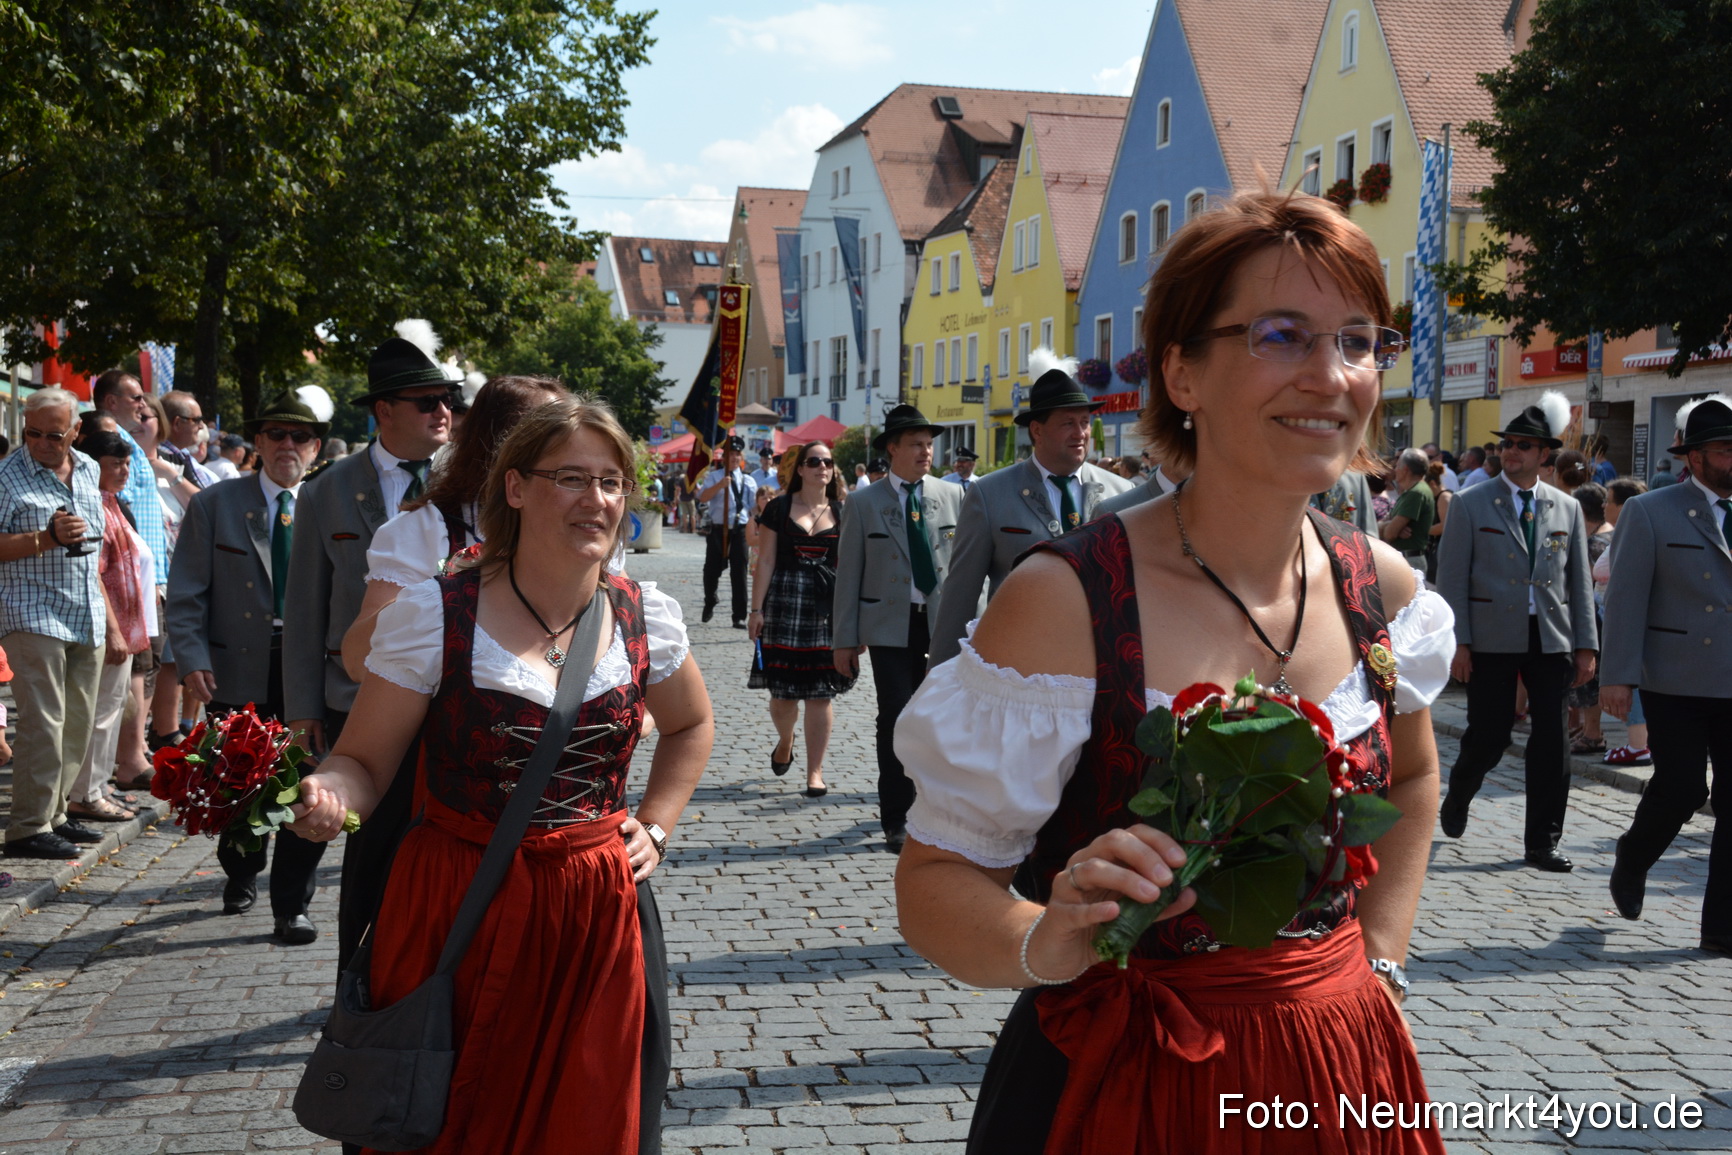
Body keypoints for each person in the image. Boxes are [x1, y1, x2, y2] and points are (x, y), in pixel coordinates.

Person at [894, 190, 1450, 1154]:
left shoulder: (1378, 584)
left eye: (1358, 339)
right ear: (1181, 372)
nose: (1332, 375)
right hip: (1126, 1078)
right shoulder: (1069, 600)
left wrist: (1383, 964)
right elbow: (937, 878)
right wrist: (1047, 934)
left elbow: (1409, 778)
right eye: (1282, 334)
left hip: (1337, 1069)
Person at [287, 394, 714, 1154]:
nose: (598, 500)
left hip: (595, 913)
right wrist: (329, 795)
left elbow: (688, 724)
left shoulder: (646, 614)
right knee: (452, 1121)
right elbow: (363, 760)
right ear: (514, 488)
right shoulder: (435, 613)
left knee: (584, 1120)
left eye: (612, 481)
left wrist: (655, 822)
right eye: (573, 478)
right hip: (456, 903)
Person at [284, 328, 455, 967]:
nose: (443, 412)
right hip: (355, 696)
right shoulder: (328, 488)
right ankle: (361, 976)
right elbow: (303, 606)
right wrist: (302, 707)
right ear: (383, 411)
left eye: (448, 400)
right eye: (426, 401)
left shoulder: (473, 480)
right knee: (371, 847)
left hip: (448, 696)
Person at [167, 388, 333, 943]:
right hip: (234, 667)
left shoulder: (328, 504)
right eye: (277, 434)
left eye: (301, 437)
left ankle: (293, 905)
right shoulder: (216, 504)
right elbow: (187, 592)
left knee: (308, 783)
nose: (289, 445)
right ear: (259, 441)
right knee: (239, 780)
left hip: (308, 666)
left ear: (316, 447)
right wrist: (190, 659)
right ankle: (240, 869)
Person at [1436, 393, 1597, 871]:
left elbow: (1580, 583)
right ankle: (1460, 790)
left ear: (1544, 454)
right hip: (1490, 637)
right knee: (1489, 734)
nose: (1512, 452)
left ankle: (1542, 842)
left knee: (1552, 738)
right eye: (1507, 444)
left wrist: (1587, 646)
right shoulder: (1469, 503)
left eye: (1523, 446)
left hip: (1550, 636)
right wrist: (1457, 643)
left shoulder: (1565, 508)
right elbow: (1451, 580)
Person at [1601, 394, 1732, 955]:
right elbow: (1627, 598)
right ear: (1696, 457)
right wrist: (1617, 676)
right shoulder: (1651, 510)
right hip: (1673, 678)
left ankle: (1721, 929)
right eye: (1727, 449)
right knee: (1681, 787)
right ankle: (1634, 855)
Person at [929, 359, 1132, 666]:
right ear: (1037, 431)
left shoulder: (1122, 492)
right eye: (1067, 423)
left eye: (1084, 422)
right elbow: (961, 594)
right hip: (1020, 662)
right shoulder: (989, 494)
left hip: (1102, 659)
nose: (1080, 433)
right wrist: (940, 675)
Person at [833, 405, 964, 853]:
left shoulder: (952, 495)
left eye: (929, 444)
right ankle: (897, 816)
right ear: (893, 449)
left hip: (942, 624)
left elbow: (967, 569)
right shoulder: (864, 502)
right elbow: (848, 575)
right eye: (916, 444)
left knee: (942, 719)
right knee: (896, 716)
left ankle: (938, 809)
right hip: (889, 627)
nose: (926, 451)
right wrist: (844, 640)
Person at [0, 388, 109, 859]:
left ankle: (54, 815)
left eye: (54, 434)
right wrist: (45, 538)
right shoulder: (6, 476)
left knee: (77, 723)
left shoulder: (89, 467)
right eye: (33, 433)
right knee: (44, 722)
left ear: (75, 431)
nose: (42, 443)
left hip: (85, 610)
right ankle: (26, 827)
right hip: (31, 610)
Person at [747, 441, 855, 796]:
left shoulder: (843, 510)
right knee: (783, 697)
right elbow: (765, 561)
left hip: (827, 606)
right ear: (800, 469)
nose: (822, 466)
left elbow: (852, 566)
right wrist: (756, 610)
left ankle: (815, 772)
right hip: (784, 603)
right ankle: (785, 739)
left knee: (821, 694)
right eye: (813, 461)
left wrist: (854, 619)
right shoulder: (778, 508)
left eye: (827, 461)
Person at [66, 432, 154, 823]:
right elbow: (93, 574)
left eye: (126, 463)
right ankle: (85, 793)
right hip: (104, 627)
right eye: (114, 463)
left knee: (112, 710)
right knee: (99, 713)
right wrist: (114, 631)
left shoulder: (113, 503)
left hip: (124, 626)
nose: (123, 470)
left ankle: (98, 788)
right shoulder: (91, 506)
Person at [1595, 477, 1651, 766]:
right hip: (1614, 616)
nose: (1604, 506)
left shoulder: (1630, 533)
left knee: (1635, 680)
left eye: (1609, 500)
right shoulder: (1621, 532)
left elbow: (1608, 571)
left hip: (1630, 621)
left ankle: (1638, 744)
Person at [1565, 482, 1611, 754]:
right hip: (1607, 615)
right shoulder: (1611, 533)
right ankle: (1588, 730)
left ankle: (1592, 733)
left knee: (1591, 680)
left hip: (1597, 616)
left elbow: (1586, 584)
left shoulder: (1593, 542)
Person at [696, 436, 755, 627]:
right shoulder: (715, 476)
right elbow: (703, 497)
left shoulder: (748, 480)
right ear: (724, 457)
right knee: (711, 570)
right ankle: (710, 599)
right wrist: (720, 485)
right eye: (731, 454)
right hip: (718, 529)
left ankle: (739, 616)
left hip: (739, 530)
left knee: (739, 572)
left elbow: (754, 508)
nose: (734, 458)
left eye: (737, 454)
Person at [1379, 448, 1433, 577]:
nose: (1394, 469)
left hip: (1409, 562)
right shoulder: (1411, 492)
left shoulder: (1415, 493)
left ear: (1406, 469)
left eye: (1397, 466)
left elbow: (1389, 534)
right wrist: (1391, 524)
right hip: (1406, 559)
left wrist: (1389, 526)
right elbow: (1388, 528)